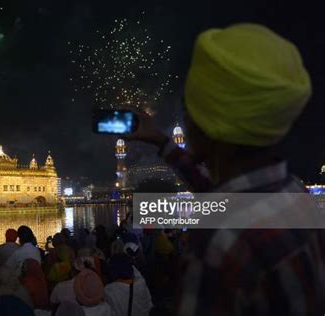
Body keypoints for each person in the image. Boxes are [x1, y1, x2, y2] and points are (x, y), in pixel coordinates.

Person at [128, 23, 325, 314]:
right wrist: (162, 143)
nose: (187, 118)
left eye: (190, 107)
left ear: (209, 123)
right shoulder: (294, 195)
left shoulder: (219, 245)